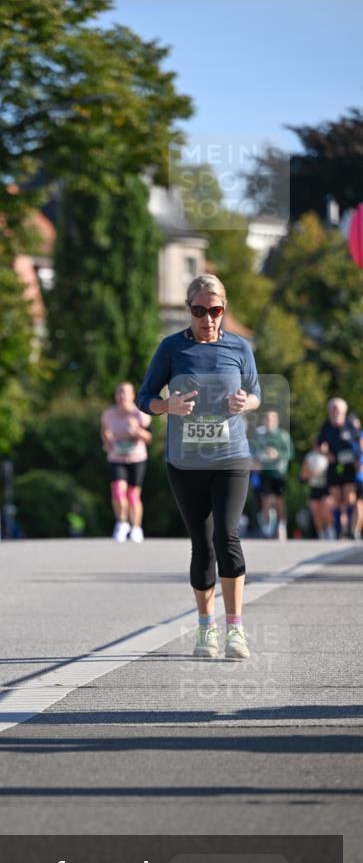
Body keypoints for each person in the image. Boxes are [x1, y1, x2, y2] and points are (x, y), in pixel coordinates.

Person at [137, 274, 261, 659]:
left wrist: (247, 404)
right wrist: (166, 406)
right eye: (199, 311)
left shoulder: (239, 347)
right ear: (189, 310)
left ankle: (235, 630)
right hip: (185, 463)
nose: (208, 318)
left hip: (231, 457)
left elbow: (255, 392)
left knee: (227, 535)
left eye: (216, 310)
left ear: (224, 309)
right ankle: (206, 629)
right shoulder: (171, 348)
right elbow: (145, 397)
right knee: (202, 546)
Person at [101, 382, 152, 542]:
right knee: (117, 491)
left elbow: (149, 438)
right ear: (115, 396)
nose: (122, 396)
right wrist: (107, 442)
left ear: (132, 396)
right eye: (119, 393)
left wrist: (137, 431)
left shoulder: (140, 414)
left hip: (136, 457)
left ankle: (136, 527)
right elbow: (104, 431)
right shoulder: (109, 414)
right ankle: (122, 523)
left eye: (125, 393)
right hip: (116, 457)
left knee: (133, 494)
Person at [317, 398, 357, 539]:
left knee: (350, 498)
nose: (335, 411)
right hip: (334, 467)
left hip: (349, 467)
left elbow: (359, 441)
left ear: (344, 411)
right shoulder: (326, 427)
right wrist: (325, 453)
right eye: (333, 408)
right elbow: (318, 445)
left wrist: (359, 459)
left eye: (338, 408)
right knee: (336, 499)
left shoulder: (350, 425)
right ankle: (339, 529)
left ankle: (352, 529)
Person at [251, 409, 294, 540]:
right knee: (266, 500)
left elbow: (290, 453)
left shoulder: (282, 435)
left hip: (278, 473)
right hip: (264, 472)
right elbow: (253, 451)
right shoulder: (260, 436)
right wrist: (256, 461)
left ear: (276, 421)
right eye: (267, 419)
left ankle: (282, 526)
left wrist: (277, 454)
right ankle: (268, 528)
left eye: (272, 419)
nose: (269, 422)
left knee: (279, 501)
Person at [299, 446, 332, 538]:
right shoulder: (309, 457)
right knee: (316, 512)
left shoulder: (328, 455)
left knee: (326, 510)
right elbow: (302, 475)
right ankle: (321, 533)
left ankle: (330, 531)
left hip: (326, 487)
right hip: (314, 487)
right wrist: (311, 474)